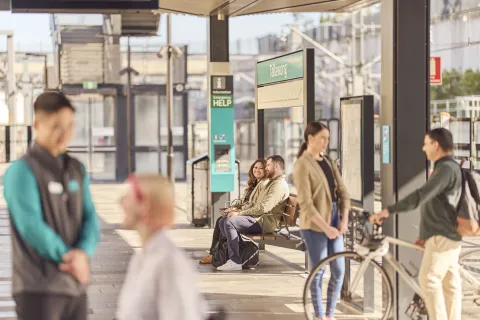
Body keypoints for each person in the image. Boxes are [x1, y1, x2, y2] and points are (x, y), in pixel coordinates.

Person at [3, 91, 100, 320]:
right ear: (37, 124)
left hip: (75, 286)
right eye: (56, 125)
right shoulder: (21, 172)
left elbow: (90, 218)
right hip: (38, 289)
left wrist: (83, 253)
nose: (64, 133)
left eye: (69, 125)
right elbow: (31, 226)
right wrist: (69, 258)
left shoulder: (76, 169)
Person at [370, 128, 462, 320]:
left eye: (426, 143)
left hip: (443, 236)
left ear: (436, 145)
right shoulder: (448, 167)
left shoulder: (445, 169)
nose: (423, 148)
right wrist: (425, 234)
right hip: (445, 235)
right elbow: (438, 206)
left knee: (428, 281)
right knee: (449, 286)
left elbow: (421, 196)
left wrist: (388, 210)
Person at [117, 174, 206, 320]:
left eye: (127, 196)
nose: (121, 202)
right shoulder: (141, 257)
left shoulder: (168, 262)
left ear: (144, 205)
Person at [293, 122, 350, 320]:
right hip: (315, 224)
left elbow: (343, 193)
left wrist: (344, 220)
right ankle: (319, 315)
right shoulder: (302, 165)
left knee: (339, 270)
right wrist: (326, 228)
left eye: (328, 138)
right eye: (323, 138)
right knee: (318, 271)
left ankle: (330, 313)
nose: (326, 142)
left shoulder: (328, 161)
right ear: (310, 139)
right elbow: (306, 204)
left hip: (334, 218)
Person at [216, 155, 289, 271]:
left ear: (277, 166)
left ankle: (235, 261)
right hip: (258, 218)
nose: (267, 168)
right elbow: (256, 204)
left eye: (268, 165)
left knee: (230, 222)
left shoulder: (278, 185)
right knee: (222, 221)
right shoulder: (272, 183)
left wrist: (239, 214)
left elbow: (263, 208)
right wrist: (237, 210)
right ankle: (238, 255)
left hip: (265, 222)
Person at [199, 159, 268, 264]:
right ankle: (216, 253)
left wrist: (238, 211)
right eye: (255, 167)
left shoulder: (263, 185)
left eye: (261, 168)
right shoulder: (253, 183)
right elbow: (243, 200)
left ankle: (231, 258)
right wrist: (233, 207)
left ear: (266, 170)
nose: (257, 170)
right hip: (248, 215)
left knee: (228, 222)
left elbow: (255, 205)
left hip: (256, 219)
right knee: (220, 220)